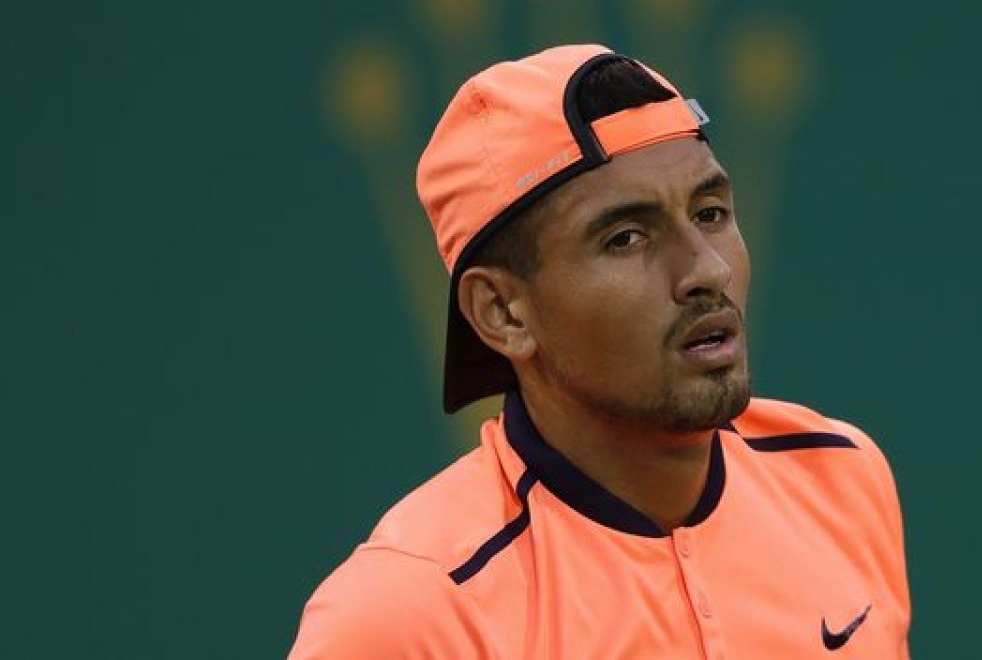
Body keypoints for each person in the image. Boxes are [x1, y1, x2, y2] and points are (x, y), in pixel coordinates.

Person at [289, 43, 910, 659]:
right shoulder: (408, 612)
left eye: (710, 212)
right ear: (502, 311)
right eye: (626, 238)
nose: (708, 269)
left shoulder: (841, 477)